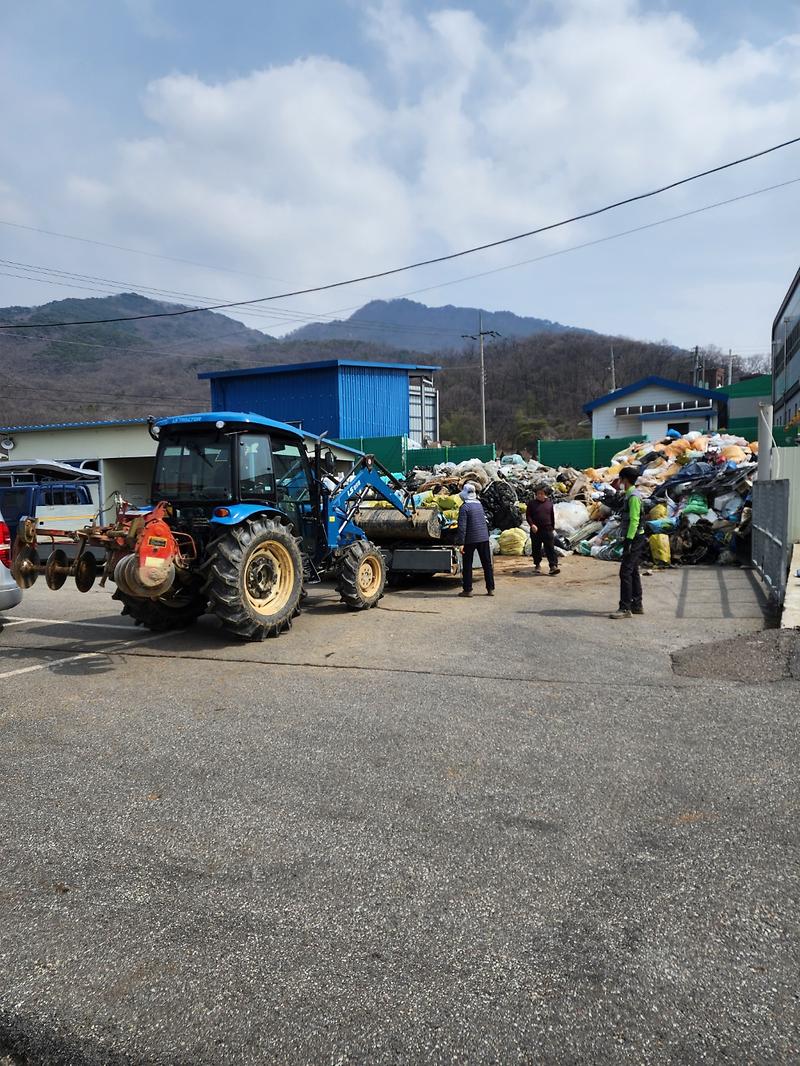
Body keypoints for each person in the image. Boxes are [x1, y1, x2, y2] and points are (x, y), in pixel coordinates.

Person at [609, 466, 647, 619]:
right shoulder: (629, 495)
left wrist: (629, 541)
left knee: (625, 572)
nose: (619, 482)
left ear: (625, 479)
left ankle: (625, 608)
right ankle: (637, 604)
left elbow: (634, 520)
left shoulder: (633, 497)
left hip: (635, 538)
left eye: (620, 479)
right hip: (636, 537)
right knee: (633, 571)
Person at [456, 482, 495, 597]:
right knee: (487, 564)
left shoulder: (464, 507)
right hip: (483, 538)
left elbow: (462, 527)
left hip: (470, 539)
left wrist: (461, 543)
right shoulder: (479, 504)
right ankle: (490, 588)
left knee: (467, 564)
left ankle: (467, 590)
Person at [526, 485, 560, 576]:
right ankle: (537, 564)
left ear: (545, 495)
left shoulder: (549, 504)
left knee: (550, 548)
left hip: (547, 529)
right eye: (538, 494)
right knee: (536, 548)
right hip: (536, 530)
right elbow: (528, 516)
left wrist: (552, 527)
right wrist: (532, 525)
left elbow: (551, 516)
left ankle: (553, 566)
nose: (540, 495)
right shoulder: (532, 504)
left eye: (542, 494)